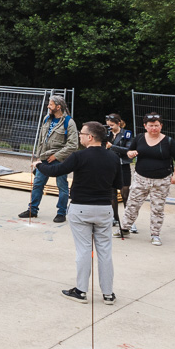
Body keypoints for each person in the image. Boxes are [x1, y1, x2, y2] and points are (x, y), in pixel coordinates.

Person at [35, 121, 123, 304]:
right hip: (104, 209)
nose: (80, 137)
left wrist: (38, 165)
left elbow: (56, 170)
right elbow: (118, 184)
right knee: (105, 252)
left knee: (84, 251)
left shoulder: (79, 156)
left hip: (81, 208)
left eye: (82, 134)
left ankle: (81, 291)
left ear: (90, 137)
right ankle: (108, 294)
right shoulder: (113, 157)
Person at [120, 113, 175, 246]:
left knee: (157, 208)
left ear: (161, 126)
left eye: (156, 125)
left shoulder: (168, 141)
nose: (154, 128)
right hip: (141, 178)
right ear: (145, 126)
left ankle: (155, 234)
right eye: (151, 126)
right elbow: (130, 151)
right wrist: (130, 153)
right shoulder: (140, 138)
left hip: (161, 180)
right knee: (132, 204)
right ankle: (125, 228)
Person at [20, 94, 77, 222]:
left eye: (50, 105)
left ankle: (61, 213)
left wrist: (56, 156)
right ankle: (32, 210)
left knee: (62, 186)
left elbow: (73, 145)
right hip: (44, 159)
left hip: (59, 161)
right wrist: (39, 156)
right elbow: (41, 139)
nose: (48, 106)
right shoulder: (47, 119)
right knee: (37, 184)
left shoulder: (69, 122)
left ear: (58, 107)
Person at [106, 114, 134, 228]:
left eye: (112, 125)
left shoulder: (127, 133)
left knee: (125, 194)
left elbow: (128, 149)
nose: (110, 128)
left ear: (118, 123)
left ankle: (129, 221)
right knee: (112, 193)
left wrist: (112, 146)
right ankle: (115, 218)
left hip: (123, 165)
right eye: (108, 125)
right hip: (110, 165)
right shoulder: (107, 134)